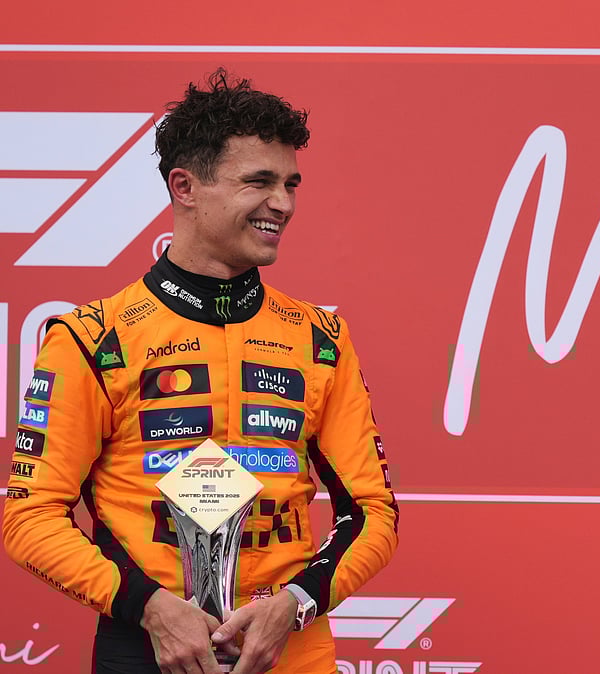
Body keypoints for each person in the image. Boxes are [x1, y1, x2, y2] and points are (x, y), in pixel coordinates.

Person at [3, 68, 399, 674]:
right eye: (259, 182)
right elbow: (29, 515)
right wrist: (151, 608)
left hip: (290, 651)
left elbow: (373, 512)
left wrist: (295, 602)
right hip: (145, 649)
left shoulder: (321, 339)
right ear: (185, 187)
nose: (284, 204)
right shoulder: (91, 339)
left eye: (291, 183)